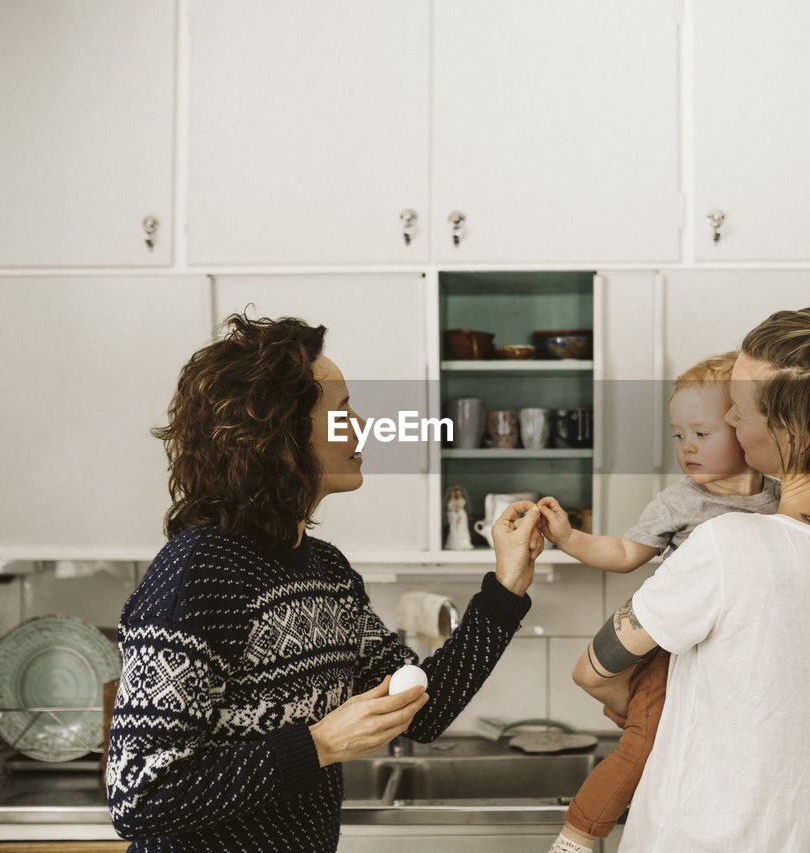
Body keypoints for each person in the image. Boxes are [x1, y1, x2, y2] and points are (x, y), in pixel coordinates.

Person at [105, 314, 545, 852]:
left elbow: (421, 713)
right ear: (279, 437)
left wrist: (507, 586)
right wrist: (315, 745)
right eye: (341, 412)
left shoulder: (327, 572)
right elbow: (140, 793)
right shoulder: (200, 573)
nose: (361, 427)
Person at [557, 304, 810, 852]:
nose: (729, 421)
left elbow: (591, 671)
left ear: (793, 436)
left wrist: (636, 706)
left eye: (741, 410)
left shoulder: (729, 545)